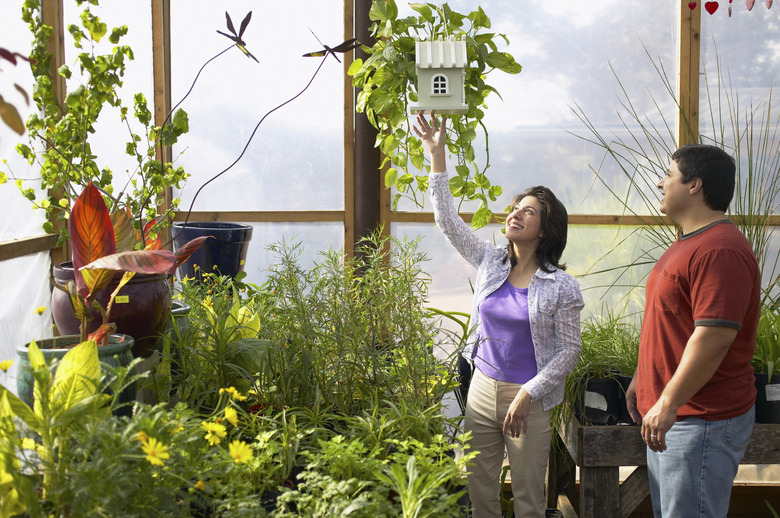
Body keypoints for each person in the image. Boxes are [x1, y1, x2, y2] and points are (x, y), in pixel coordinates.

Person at [413, 113, 584, 518]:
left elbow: (568, 352)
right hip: (482, 388)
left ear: (545, 229)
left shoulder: (561, 285)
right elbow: (447, 222)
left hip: (528, 399)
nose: (515, 214)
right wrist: (437, 156)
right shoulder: (491, 261)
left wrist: (528, 393)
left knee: (527, 501)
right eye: (514, 208)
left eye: (528, 211)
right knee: (481, 495)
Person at [625, 144, 761, 517]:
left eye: (668, 176)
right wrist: (643, 378)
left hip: (701, 420)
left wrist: (667, 403)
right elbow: (671, 320)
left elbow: (713, 338)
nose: (659, 183)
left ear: (694, 185)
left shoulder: (720, 250)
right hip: (676, 417)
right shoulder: (687, 242)